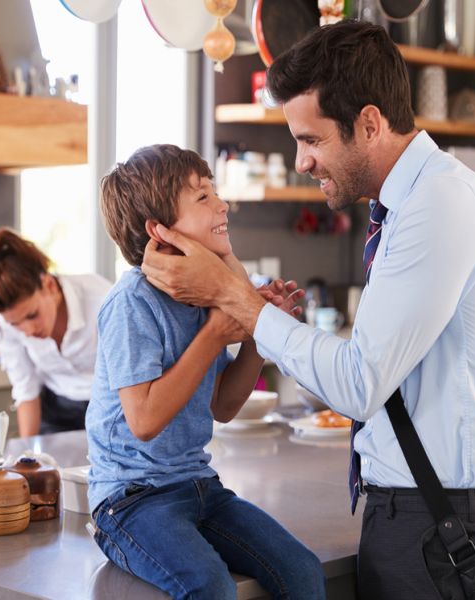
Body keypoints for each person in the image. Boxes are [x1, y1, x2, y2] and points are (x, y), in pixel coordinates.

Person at [142, 20, 475, 600]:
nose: (301, 162)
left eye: (311, 140)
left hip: (446, 523)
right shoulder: (409, 206)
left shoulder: (441, 205)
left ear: (369, 124)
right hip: (420, 514)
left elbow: (358, 383)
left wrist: (233, 297)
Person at [87, 144, 324, 600]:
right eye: (202, 197)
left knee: (303, 573)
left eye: (214, 191)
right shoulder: (131, 303)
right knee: (210, 587)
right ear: (160, 231)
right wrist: (216, 332)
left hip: (198, 487)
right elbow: (144, 420)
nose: (223, 204)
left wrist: (255, 333)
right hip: (129, 502)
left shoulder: (199, 297)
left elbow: (223, 405)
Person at [0, 228, 111, 437]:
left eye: (32, 315)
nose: (28, 331)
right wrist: (28, 458)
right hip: (55, 410)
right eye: (16, 324)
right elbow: (26, 390)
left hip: (110, 407)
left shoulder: (102, 300)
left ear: (49, 285)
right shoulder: (6, 321)